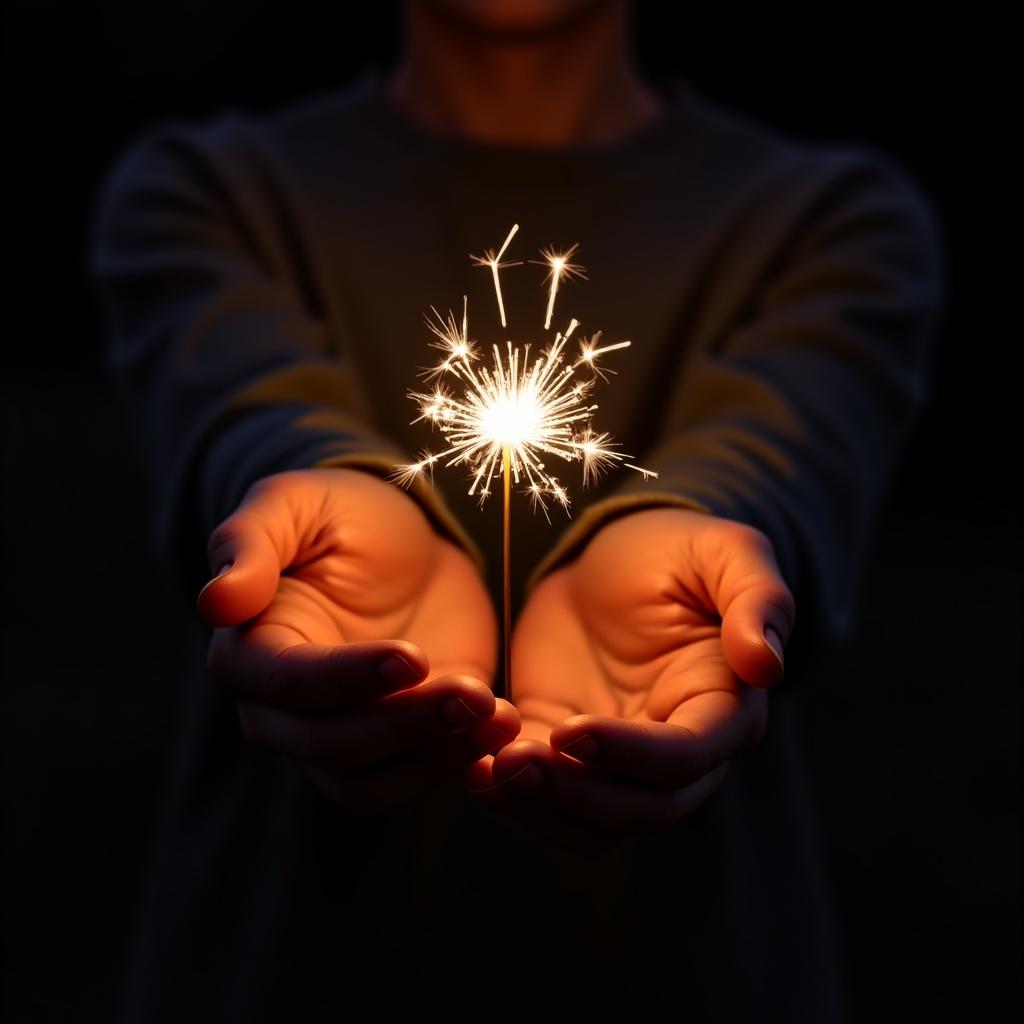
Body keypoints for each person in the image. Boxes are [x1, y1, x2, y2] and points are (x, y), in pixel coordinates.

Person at [89, 1, 945, 1020]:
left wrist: (710, 526)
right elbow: (246, 394)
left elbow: (781, 439)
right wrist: (310, 482)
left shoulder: (835, 220)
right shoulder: (199, 195)